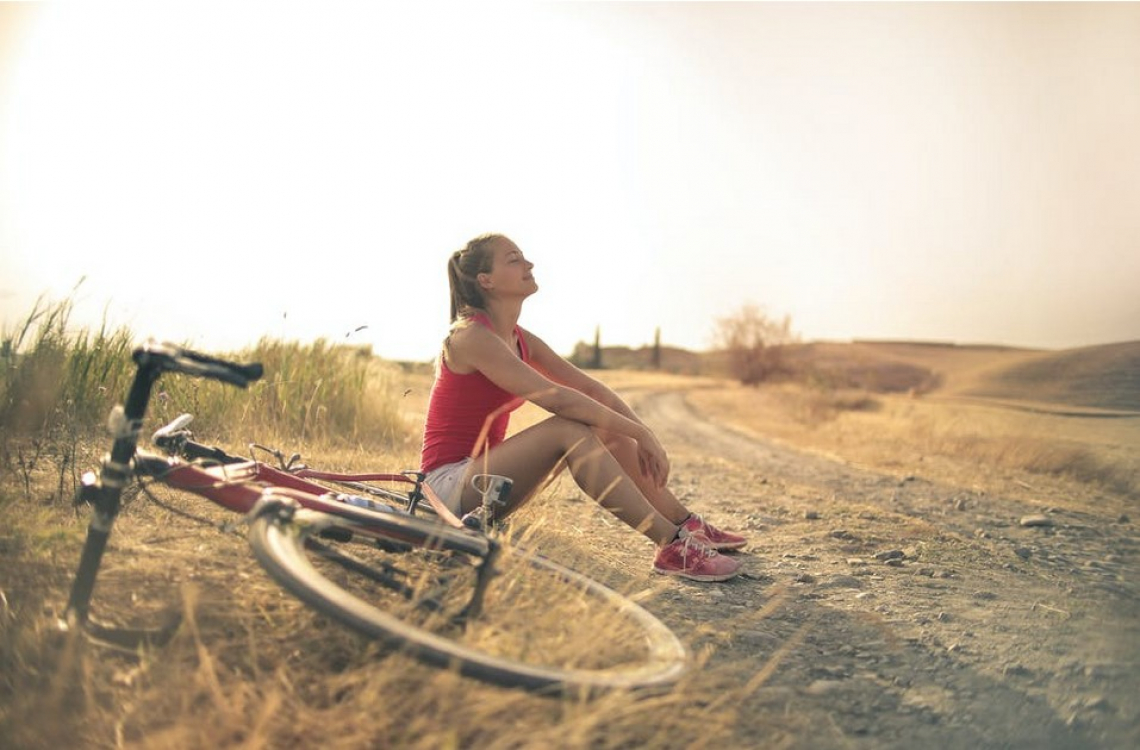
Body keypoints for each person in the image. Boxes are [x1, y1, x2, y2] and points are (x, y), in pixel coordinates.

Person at [419, 233, 746, 582]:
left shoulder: (519, 338)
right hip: (446, 489)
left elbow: (589, 387)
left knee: (602, 423)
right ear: (486, 280)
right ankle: (671, 545)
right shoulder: (470, 336)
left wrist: (641, 433)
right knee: (569, 428)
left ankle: (685, 525)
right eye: (514, 259)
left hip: (488, 487)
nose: (528, 264)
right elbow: (556, 397)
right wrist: (637, 432)